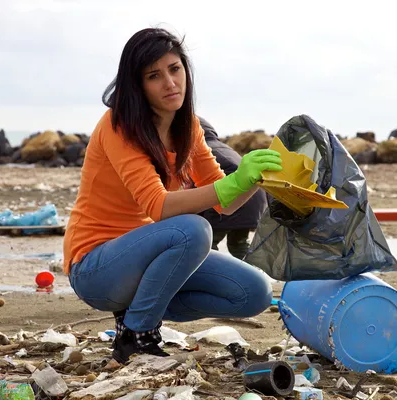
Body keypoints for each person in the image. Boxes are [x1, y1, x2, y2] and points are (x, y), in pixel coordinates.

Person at [63, 27, 282, 364]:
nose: (170, 83)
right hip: (96, 268)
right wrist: (233, 181)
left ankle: (139, 313)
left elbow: (227, 204)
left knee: (255, 292)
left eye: (175, 69)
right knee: (194, 230)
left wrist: (255, 179)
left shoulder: (187, 127)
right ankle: (136, 335)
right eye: (154, 75)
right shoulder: (119, 125)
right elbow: (159, 205)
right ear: (138, 86)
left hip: (150, 263)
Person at [197, 117, 268, 260]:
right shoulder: (224, 148)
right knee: (238, 244)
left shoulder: (202, 151)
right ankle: (256, 270)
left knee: (208, 243)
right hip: (254, 198)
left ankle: (213, 275)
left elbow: (199, 188)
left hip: (231, 198)